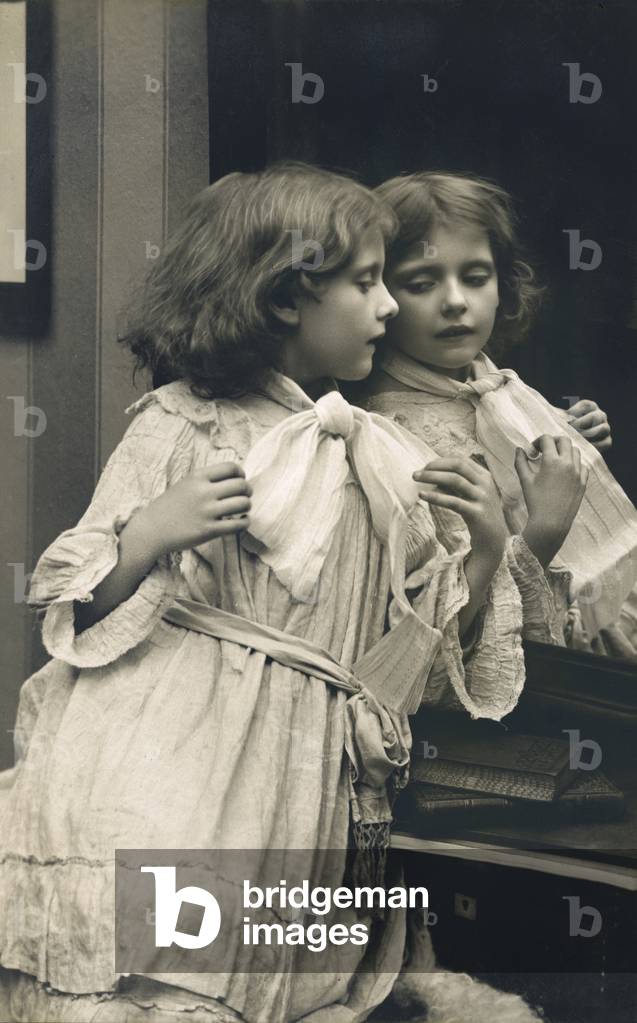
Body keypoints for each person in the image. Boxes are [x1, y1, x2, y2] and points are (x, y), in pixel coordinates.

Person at [0, 163, 543, 1023]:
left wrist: (480, 552)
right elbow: (73, 604)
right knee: (154, 972)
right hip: (168, 748)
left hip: (298, 769)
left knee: (263, 977)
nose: (388, 307)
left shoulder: (377, 454)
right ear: (288, 297)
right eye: (366, 283)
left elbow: (410, 663)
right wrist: (149, 534)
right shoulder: (185, 421)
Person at [356, 171, 637, 661]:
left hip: (599, 631)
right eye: (422, 283)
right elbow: (450, 635)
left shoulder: (498, 388)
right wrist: (544, 528)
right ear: (379, 296)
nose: (455, 302)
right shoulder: (384, 436)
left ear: (502, 286)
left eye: (475, 278)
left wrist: (566, 440)